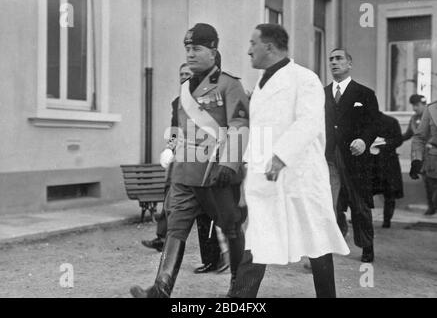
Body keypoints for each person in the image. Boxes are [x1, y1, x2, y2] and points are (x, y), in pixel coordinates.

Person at [228, 24, 350, 298]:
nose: (248, 50)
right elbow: (259, 131)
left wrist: (281, 157)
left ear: (269, 47)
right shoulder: (261, 85)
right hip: (267, 179)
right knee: (257, 241)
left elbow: (309, 124)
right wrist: (249, 169)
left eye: (252, 43)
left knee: (317, 244)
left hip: (302, 179)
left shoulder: (304, 79)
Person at [130, 23, 249, 298]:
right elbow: (178, 129)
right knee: (176, 228)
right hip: (185, 173)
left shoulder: (230, 85)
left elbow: (240, 125)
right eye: (187, 49)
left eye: (196, 48)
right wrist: (170, 150)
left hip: (215, 172)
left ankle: (239, 289)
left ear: (212, 51)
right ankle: (161, 288)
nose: (190, 54)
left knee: (231, 228)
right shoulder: (184, 90)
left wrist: (229, 164)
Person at [142, 63, 228, 274]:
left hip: (206, 160)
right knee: (177, 202)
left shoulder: (211, 99)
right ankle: (167, 241)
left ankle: (221, 257)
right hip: (183, 160)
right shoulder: (177, 101)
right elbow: (174, 129)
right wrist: (169, 148)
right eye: (181, 74)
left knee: (208, 213)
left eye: (187, 74)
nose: (184, 78)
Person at [324, 48, 379, 263]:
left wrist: (364, 140)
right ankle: (332, 240)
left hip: (355, 158)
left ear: (349, 64)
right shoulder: (323, 93)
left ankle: (366, 246)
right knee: (330, 201)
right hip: (329, 155)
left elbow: (374, 123)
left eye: (339, 59)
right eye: (331, 59)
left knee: (359, 204)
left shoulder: (364, 93)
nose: (334, 63)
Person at [370, 112, 404, 228]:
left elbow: (398, 139)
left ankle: (386, 220)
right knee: (385, 194)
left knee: (387, 193)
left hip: (383, 163)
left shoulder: (390, 121)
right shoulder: (363, 121)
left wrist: (383, 143)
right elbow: (398, 139)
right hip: (379, 163)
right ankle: (380, 220)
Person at [410, 102, 437, 216]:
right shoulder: (432, 109)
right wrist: (416, 159)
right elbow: (419, 137)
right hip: (434, 161)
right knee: (433, 194)